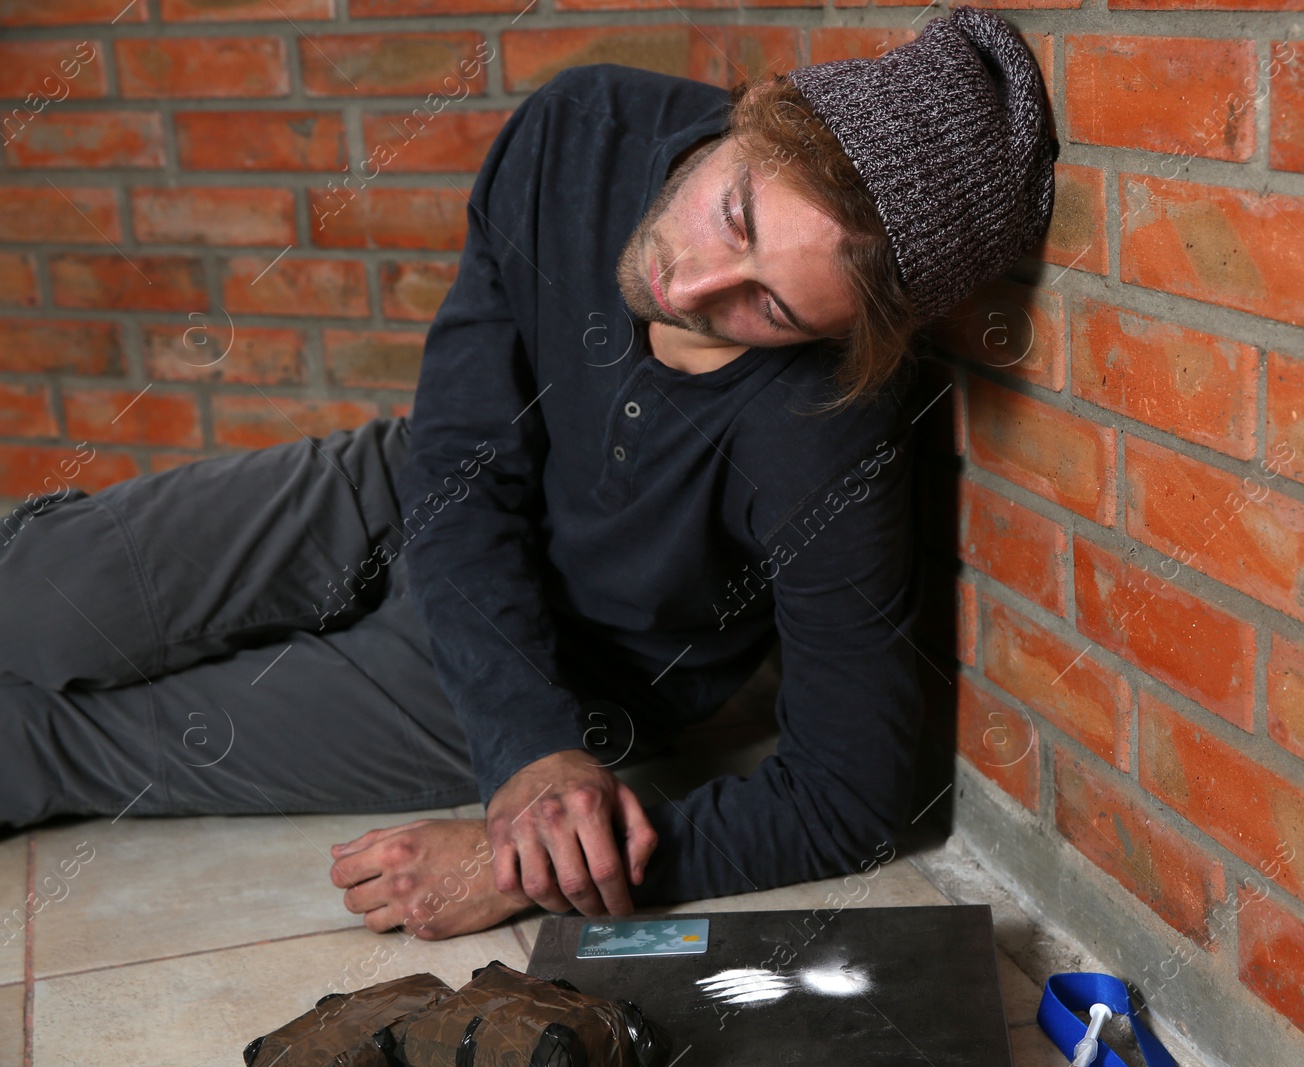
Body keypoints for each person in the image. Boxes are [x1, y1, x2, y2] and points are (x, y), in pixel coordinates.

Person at [0, 5, 1056, 940]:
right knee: (33, 598)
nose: (693, 287)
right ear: (761, 110)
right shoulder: (580, 133)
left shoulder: (831, 427)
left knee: (57, 746)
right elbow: (463, 457)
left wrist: (538, 855)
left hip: (583, 667)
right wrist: (527, 752)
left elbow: (851, 793)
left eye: (769, 309)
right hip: (405, 492)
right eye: (735, 217)